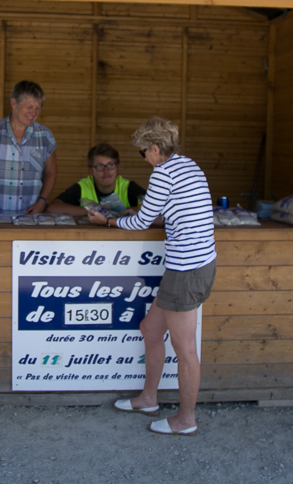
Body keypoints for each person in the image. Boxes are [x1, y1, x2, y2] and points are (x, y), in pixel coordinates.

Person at [88, 116, 216, 436]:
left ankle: (186, 419)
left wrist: (108, 223)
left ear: (156, 149)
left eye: (143, 151)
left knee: (184, 348)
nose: (143, 157)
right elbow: (169, 210)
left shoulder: (162, 173)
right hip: (194, 265)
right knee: (149, 328)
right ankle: (148, 398)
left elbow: (143, 222)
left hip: (186, 269)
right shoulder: (188, 165)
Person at [0, 80, 57, 216]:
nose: (33, 112)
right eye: (29, 107)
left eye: (38, 108)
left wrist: (42, 201)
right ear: (14, 103)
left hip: (29, 218)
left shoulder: (45, 136)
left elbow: (51, 172)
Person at [46, 142, 146, 216]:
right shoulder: (83, 186)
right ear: (90, 171)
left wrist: (117, 211)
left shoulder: (129, 187)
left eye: (111, 165)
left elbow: (155, 210)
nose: (106, 171)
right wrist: (95, 211)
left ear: (118, 168)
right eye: (99, 166)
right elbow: (52, 208)